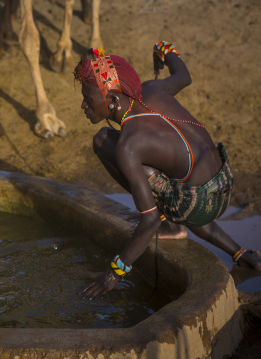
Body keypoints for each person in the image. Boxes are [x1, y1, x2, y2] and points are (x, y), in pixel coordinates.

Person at [74, 42, 261, 300]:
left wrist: (114, 273)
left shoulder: (129, 145)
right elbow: (184, 76)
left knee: (102, 140)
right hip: (224, 182)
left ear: (114, 99)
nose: (83, 105)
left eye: (87, 99)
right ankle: (242, 255)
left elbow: (147, 223)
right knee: (175, 170)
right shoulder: (153, 89)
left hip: (195, 203)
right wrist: (165, 50)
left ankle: (170, 223)